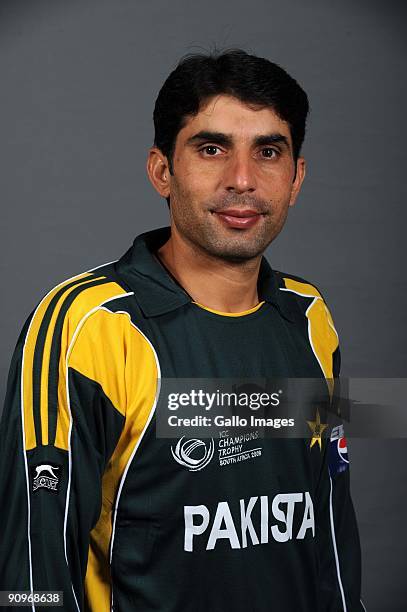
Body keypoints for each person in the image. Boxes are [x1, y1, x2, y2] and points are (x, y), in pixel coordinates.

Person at [0, 49, 365, 611]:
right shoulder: (84, 326)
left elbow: (331, 519)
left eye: (268, 152)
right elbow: (32, 575)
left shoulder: (310, 315)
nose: (242, 180)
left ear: (296, 178)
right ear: (162, 171)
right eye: (212, 148)